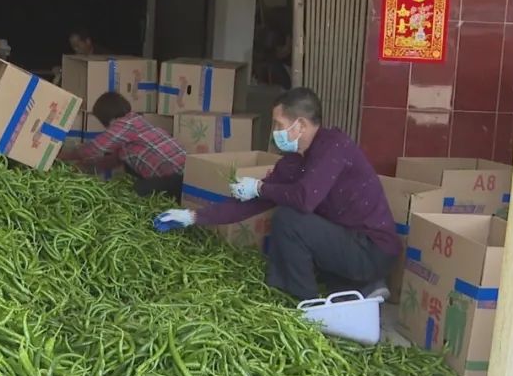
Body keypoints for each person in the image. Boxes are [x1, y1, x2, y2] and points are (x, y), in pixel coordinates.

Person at [155, 87, 399, 301]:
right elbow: (255, 202)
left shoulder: (334, 146)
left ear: (300, 125)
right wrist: (192, 216)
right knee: (294, 239)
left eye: (279, 125)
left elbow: (304, 198)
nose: (275, 132)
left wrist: (260, 187)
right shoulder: (294, 161)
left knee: (289, 219)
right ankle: (361, 287)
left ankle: (306, 303)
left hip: (371, 249)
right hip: (345, 242)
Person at [59, 91, 185, 200]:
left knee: (137, 192)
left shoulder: (127, 123)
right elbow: (111, 161)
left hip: (178, 178)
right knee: (129, 168)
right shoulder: (136, 125)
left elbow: (95, 148)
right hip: (185, 176)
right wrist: (77, 169)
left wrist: (62, 156)